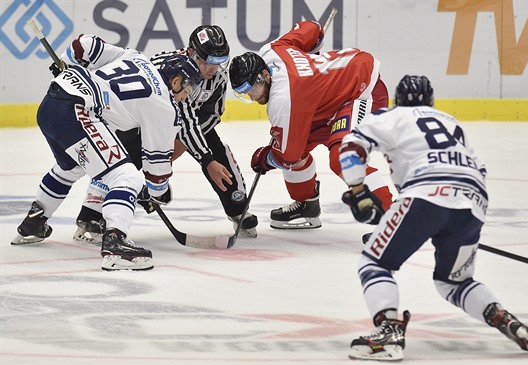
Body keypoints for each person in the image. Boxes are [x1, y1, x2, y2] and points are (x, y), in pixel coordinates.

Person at [338, 75, 528, 361]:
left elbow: (351, 147)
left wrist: (359, 191)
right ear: (431, 100)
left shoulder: (391, 116)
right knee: (454, 282)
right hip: (473, 200)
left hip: (426, 194)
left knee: (374, 263)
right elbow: (477, 170)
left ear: (398, 99)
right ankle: (503, 318)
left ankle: (389, 332)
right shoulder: (451, 121)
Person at [12, 34, 202, 271]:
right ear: (176, 81)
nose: (187, 96)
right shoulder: (164, 107)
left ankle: (34, 222)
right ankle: (115, 244)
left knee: (71, 166)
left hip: (52, 101)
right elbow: (156, 171)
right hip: (78, 111)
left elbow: (83, 44)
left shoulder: (137, 57)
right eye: (189, 87)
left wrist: (66, 62)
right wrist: (159, 194)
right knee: (127, 177)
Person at [73, 25, 258, 244]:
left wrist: (190, 149)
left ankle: (236, 207)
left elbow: (211, 114)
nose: (213, 68)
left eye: (220, 61)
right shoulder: (168, 66)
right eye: (208, 61)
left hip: (192, 127)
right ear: (192, 53)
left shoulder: (217, 76)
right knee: (121, 158)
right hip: (150, 122)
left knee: (219, 157)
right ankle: (91, 215)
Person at [228, 20, 393, 229]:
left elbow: (287, 157)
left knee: (342, 158)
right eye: (244, 93)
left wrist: (268, 158)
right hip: (324, 105)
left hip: (360, 91)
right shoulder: (272, 51)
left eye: (252, 89)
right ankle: (307, 204)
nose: (252, 98)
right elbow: (313, 28)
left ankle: (392, 219)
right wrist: (312, 51)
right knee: (296, 145)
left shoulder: (283, 100)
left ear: (266, 75)